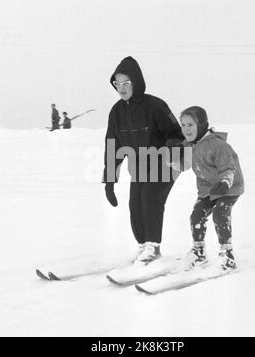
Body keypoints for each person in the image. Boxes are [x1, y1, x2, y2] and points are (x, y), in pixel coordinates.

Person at [103, 56, 185, 264]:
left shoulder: (155, 106)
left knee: (150, 197)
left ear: (136, 82)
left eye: (126, 83)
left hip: (165, 162)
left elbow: (176, 133)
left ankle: (153, 247)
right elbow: (113, 145)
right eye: (117, 83)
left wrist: (173, 157)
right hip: (140, 166)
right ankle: (143, 246)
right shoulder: (116, 113)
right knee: (135, 204)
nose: (121, 88)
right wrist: (110, 180)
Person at [168, 106, 244, 271]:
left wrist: (224, 183)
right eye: (183, 125)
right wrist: (172, 154)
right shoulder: (189, 145)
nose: (186, 129)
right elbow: (184, 165)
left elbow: (229, 168)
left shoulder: (217, 145)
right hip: (207, 190)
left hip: (228, 188)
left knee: (220, 214)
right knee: (196, 216)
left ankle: (227, 255)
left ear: (201, 125)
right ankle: (199, 251)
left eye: (190, 125)